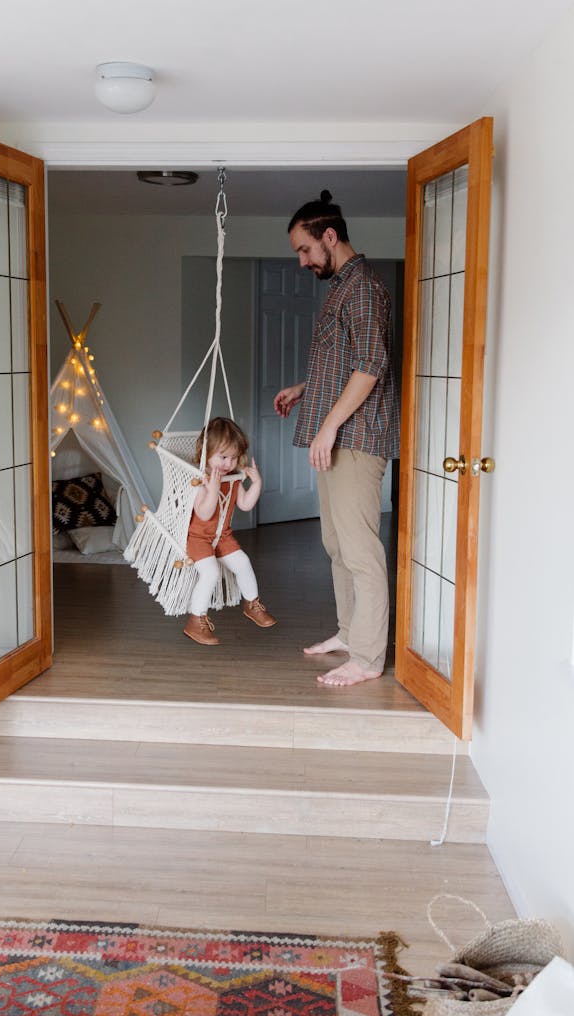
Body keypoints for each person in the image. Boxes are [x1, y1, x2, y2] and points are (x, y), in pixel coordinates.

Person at [274, 190, 399, 687]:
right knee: (336, 544)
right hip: (335, 436)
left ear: (330, 237)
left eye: (305, 250)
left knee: (360, 550)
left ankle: (368, 658)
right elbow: (349, 362)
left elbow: (372, 364)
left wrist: (328, 426)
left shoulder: (364, 287)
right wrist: (307, 389)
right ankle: (351, 633)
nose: (303, 261)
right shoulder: (343, 287)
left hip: (355, 439)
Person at [183, 417, 276, 646]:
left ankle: (252, 604)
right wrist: (213, 489)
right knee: (211, 573)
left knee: (243, 562)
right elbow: (204, 514)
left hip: (222, 536)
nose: (228, 464)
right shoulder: (200, 480)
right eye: (223, 457)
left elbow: (245, 504)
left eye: (233, 458)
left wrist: (256, 484)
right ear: (206, 453)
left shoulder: (233, 478)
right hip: (197, 538)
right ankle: (196, 620)